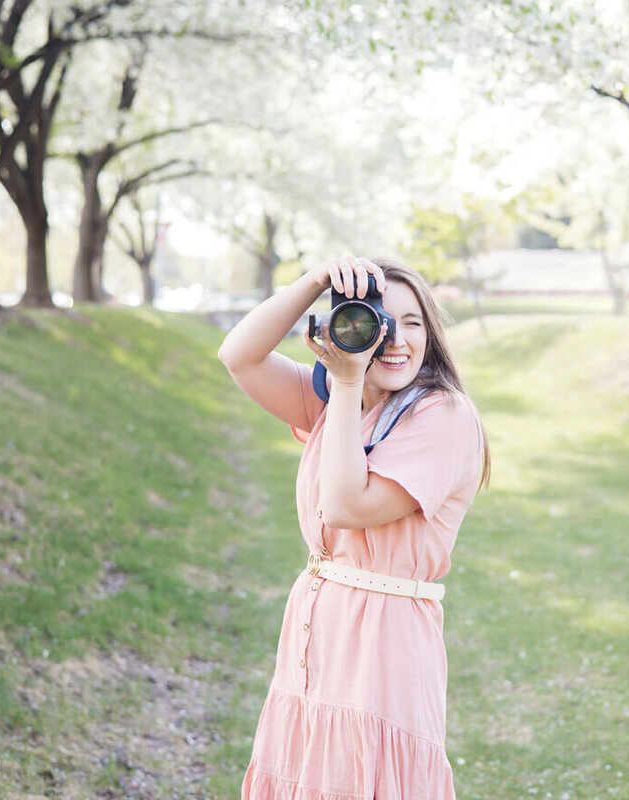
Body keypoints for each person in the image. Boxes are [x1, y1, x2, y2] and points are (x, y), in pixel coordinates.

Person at [218, 255, 489, 799]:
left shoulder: (442, 415)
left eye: (413, 323)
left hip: (383, 640)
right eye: (379, 320)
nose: (396, 338)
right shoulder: (339, 402)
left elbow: (344, 505)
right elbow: (239, 355)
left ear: (431, 335)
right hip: (317, 627)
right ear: (350, 326)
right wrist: (316, 280)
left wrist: (344, 382)